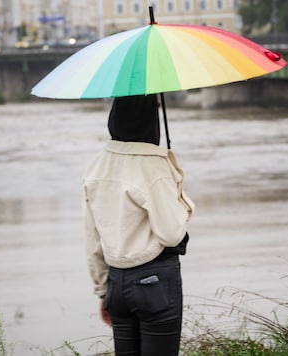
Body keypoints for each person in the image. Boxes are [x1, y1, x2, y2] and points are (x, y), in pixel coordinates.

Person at [83, 94, 195, 355]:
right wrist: (182, 197)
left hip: (115, 285)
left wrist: (103, 291)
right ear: (150, 120)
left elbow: (92, 238)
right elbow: (170, 234)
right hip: (154, 282)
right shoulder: (153, 165)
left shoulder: (95, 165)